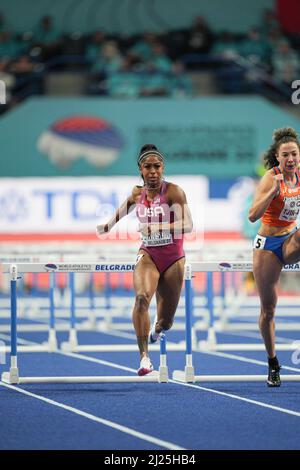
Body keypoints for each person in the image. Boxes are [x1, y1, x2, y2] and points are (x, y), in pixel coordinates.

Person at [96, 144, 193, 375]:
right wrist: (109, 225)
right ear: (140, 169)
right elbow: (125, 208)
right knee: (141, 299)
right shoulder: (136, 193)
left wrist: (157, 226)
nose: (153, 171)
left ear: (163, 167)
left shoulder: (174, 192)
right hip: (148, 254)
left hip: (173, 259)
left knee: (166, 322)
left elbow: (187, 225)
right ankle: (144, 357)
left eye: (157, 166)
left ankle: (157, 330)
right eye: (147, 166)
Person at [249, 127, 300, 387]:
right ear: (278, 158)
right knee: (268, 310)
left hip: (291, 241)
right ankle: (273, 363)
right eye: (285, 155)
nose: (290, 159)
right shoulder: (271, 177)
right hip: (268, 246)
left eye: (294, 154)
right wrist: (273, 191)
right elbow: (252, 215)